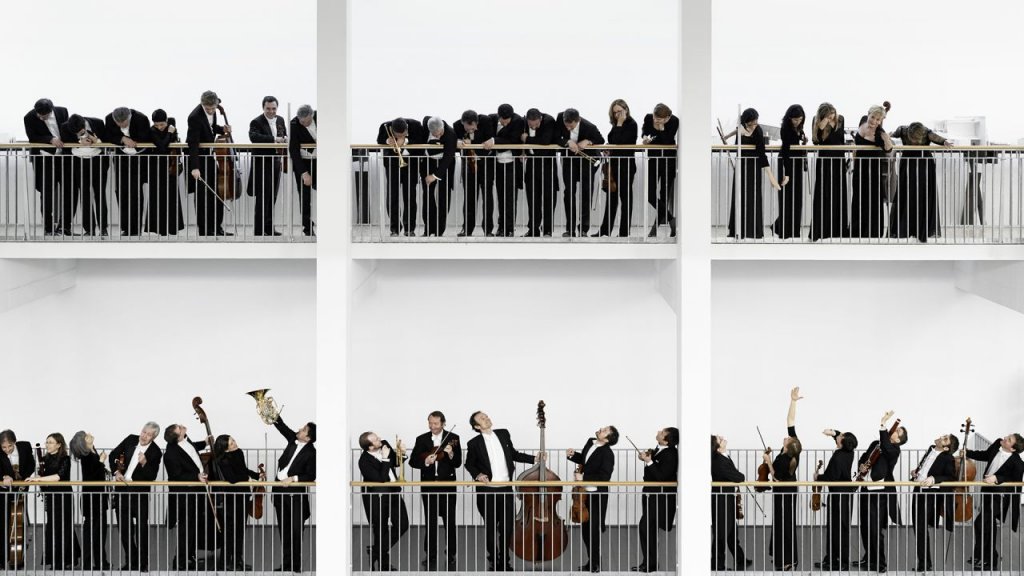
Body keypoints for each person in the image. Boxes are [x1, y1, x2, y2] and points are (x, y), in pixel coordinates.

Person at [464, 411, 538, 571]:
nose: (487, 418)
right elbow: (469, 464)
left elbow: (513, 454)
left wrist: (534, 459)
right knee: (491, 527)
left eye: (486, 416)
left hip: (506, 488)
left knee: (507, 527)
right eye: (482, 419)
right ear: (477, 426)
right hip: (487, 491)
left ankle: (504, 558)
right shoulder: (474, 443)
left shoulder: (503, 434)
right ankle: (493, 556)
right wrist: (478, 474)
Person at [855, 412, 907, 573]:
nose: (895, 430)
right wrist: (861, 466)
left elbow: (885, 446)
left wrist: (883, 424)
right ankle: (868, 558)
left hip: (879, 493)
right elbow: (863, 458)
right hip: (866, 488)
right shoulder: (876, 443)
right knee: (865, 526)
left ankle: (880, 563)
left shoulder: (894, 450)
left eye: (898, 431)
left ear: (897, 440)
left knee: (875, 529)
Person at [409, 411, 462, 571]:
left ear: (443, 423)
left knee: (449, 520)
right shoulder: (422, 439)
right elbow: (412, 461)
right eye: (430, 423)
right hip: (429, 484)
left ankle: (451, 552)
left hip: (447, 484)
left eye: (436, 424)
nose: (432, 426)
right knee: (430, 520)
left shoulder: (454, 438)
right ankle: (431, 553)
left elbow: (458, 463)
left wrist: (451, 453)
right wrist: (425, 461)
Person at [109, 422, 163, 572]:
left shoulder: (156, 452)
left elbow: (152, 476)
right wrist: (116, 472)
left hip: (139, 494)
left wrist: (145, 463)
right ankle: (131, 562)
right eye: (144, 432)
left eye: (149, 435)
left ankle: (143, 563)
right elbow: (114, 455)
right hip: (122, 492)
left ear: (154, 437)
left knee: (141, 530)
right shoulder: (130, 439)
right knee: (125, 530)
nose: (144, 436)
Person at [966, 433, 1024, 570]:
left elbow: (1015, 483)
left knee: (979, 523)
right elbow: (984, 455)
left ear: (1013, 449)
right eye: (1007, 437)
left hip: (999, 497)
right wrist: (967, 453)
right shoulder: (997, 444)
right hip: (986, 492)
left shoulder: (1019, 464)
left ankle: (981, 556)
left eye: (1008, 440)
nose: (1005, 438)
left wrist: (997, 478)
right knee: (989, 527)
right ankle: (989, 559)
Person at [725, 108, 783, 239]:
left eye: (755, 122)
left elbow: (762, 154)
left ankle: (753, 231)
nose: (753, 125)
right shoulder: (740, 130)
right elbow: (737, 147)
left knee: (753, 197)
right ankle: (736, 230)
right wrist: (729, 136)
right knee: (739, 196)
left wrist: (771, 177)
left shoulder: (758, 130)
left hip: (754, 168)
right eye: (750, 123)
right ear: (745, 122)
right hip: (741, 167)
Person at [889, 122, 952, 242]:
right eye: (913, 139)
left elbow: (937, 138)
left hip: (924, 166)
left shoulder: (927, 132)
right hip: (908, 166)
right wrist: (888, 135)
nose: (914, 143)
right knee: (906, 194)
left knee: (923, 194)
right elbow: (893, 134)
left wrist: (944, 141)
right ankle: (904, 229)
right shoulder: (903, 130)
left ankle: (921, 229)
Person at [762, 387, 803, 571]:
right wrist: (793, 401)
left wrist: (768, 461)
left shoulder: (783, 458)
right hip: (789, 493)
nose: (786, 437)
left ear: (787, 447)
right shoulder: (794, 451)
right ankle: (786, 558)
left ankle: (787, 560)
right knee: (785, 524)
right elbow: (791, 420)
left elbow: (775, 478)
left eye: (787, 439)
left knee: (783, 525)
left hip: (782, 493)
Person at [26, 433, 81, 569]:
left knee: (64, 527)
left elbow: (58, 477)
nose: (47, 445)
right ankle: (58, 561)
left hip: (64, 497)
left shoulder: (65, 459)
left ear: (59, 444)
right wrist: (39, 477)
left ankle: (66, 560)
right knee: (53, 528)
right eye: (47, 442)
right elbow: (45, 480)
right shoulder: (44, 459)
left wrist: (38, 479)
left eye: (50, 442)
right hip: (51, 497)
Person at [567, 426, 618, 573]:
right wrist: (572, 455)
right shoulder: (590, 442)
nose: (601, 429)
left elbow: (604, 477)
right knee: (585, 530)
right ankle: (591, 561)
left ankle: (595, 564)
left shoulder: (608, 454)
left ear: (607, 439)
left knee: (593, 530)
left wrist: (584, 478)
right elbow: (584, 460)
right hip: (583, 495)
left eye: (605, 430)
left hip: (596, 496)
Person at [162, 423, 212, 570]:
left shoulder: (185, 441)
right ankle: (181, 562)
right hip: (185, 496)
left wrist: (205, 442)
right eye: (180, 428)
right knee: (186, 529)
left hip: (197, 492)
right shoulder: (170, 454)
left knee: (194, 526)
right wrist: (196, 476)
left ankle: (190, 555)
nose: (183, 427)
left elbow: (192, 449)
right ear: (177, 436)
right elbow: (177, 476)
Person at [358, 432, 410, 571]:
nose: (380, 439)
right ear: (369, 447)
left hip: (393, 493)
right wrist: (385, 459)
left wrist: (402, 453)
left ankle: (375, 551)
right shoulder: (364, 461)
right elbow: (380, 479)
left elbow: (397, 463)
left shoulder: (384, 445)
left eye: (377, 437)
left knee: (403, 524)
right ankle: (384, 565)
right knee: (380, 529)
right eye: (376, 439)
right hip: (376, 496)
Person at [272, 417, 317, 573]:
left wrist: (294, 478)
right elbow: (283, 428)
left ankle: (295, 567)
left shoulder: (312, 453)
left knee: (296, 532)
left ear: (308, 438)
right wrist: (275, 417)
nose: (300, 429)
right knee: (284, 531)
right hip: (280, 493)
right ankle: (286, 565)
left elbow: (311, 475)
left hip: (296, 496)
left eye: (303, 429)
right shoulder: (293, 440)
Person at [210, 434, 262, 571]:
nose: (235, 442)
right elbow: (232, 478)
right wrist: (248, 479)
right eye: (231, 443)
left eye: (233, 440)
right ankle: (225, 563)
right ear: (225, 449)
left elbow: (242, 469)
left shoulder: (238, 452)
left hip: (243, 496)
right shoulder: (222, 460)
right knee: (229, 532)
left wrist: (256, 475)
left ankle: (238, 561)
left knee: (240, 531)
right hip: (230, 500)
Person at [633, 427, 678, 573]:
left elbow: (661, 477)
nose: (659, 431)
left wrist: (649, 462)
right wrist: (647, 459)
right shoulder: (659, 449)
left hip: (660, 497)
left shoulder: (671, 453)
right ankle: (649, 563)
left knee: (646, 527)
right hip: (650, 494)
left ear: (666, 439)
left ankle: (650, 564)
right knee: (648, 529)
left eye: (662, 432)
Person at [911, 433, 958, 572]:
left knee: (920, 528)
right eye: (944, 436)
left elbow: (950, 478)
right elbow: (926, 468)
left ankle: (925, 564)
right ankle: (925, 562)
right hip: (918, 490)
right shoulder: (931, 449)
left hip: (929, 494)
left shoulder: (948, 458)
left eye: (945, 439)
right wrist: (917, 473)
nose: (941, 437)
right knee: (918, 527)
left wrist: (934, 479)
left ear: (946, 448)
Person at [23, 99, 71, 235]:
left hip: (64, 158)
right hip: (44, 159)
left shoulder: (63, 111)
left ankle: (64, 227)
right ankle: (48, 229)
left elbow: (68, 131)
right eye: (38, 114)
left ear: (51, 111)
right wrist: (50, 139)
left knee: (69, 192)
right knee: (47, 194)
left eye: (43, 116)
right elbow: (32, 137)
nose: (40, 117)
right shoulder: (29, 116)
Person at [187, 90, 231, 236]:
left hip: (210, 159)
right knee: (202, 197)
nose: (211, 110)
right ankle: (205, 229)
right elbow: (193, 143)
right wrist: (194, 167)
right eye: (208, 108)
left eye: (213, 108)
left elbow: (210, 128)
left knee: (216, 194)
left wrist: (221, 129)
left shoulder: (214, 111)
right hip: (199, 160)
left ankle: (217, 227)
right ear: (202, 104)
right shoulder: (194, 117)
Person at [815, 428, 858, 571]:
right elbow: (839, 436)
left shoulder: (839, 455)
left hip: (838, 495)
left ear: (843, 441)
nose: (839, 436)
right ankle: (834, 560)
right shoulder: (848, 452)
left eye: (842, 436)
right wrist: (833, 433)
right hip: (844, 495)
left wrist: (818, 477)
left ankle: (837, 562)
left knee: (837, 529)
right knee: (840, 528)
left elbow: (831, 477)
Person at [60, 114, 110, 237]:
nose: (78, 133)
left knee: (100, 194)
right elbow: (66, 145)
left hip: (98, 161)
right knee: (85, 195)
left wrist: (96, 141)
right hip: (79, 162)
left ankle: (103, 228)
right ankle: (89, 229)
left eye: (80, 131)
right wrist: (78, 142)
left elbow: (106, 142)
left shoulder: (98, 122)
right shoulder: (65, 127)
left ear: (84, 124)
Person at [557, 108, 604, 237]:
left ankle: (583, 229)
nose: (567, 128)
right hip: (569, 162)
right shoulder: (560, 118)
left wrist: (588, 141)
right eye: (566, 125)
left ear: (578, 120)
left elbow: (601, 139)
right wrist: (567, 141)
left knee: (586, 194)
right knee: (569, 193)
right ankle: (570, 229)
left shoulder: (590, 127)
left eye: (570, 126)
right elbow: (555, 137)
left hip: (587, 162)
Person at [105, 106, 151, 236]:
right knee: (121, 192)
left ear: (129, 117)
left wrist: (134, 141)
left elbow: (146, 137)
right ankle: (126, 227)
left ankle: (135, 229)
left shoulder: (141, 118)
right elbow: (107, 135)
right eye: (118, 123)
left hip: (138, 160)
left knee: (135, 193)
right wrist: (123, 138)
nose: (120, 125)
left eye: (123, 123)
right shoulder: (109, 118)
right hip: (121, 160)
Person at [850, 105, 894, 238]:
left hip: (872, 171)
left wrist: (887, 138)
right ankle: (856, 231)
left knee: (872, 201)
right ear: (868, 114)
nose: (874, 121)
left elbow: (889, 150)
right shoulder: (862, 121)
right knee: (858, 199)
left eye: (878, 119)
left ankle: (872, 233)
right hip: (859, 169)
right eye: (873, 117)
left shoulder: (880, 133)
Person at [69, 431, 111, 571]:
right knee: (94, 533)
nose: (90, 434)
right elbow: (91, 477)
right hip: (93, 499)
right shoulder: (86, 456)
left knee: (97, 532)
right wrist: (101, 461)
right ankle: (92, 563)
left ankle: (99, 562)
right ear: (83, 442)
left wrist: (99, 461)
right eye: (86, 435)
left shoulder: (91, 452)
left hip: (95, 498)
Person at [248, 96, 288, 236]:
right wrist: (274, 139)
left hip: (276, 163)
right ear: (263, 108)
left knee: (272, 197)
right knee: (262, 198)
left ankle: (269, 228)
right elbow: (254, 137)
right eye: (268, 109)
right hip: (262, 164)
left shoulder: (281, 120)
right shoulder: (256, 121)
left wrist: (285, 139)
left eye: (274, 108)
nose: (271, 111)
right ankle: (259, 231)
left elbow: (284, 135)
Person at [597, 99, 637, 238]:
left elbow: (621, 142)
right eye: (614, 113)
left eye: (619, 111)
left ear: (626, 109)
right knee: (611, 198)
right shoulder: (615, 125)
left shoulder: (632, 124)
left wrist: (619, 124)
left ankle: (624, 232)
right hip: (614, 166)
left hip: (626, 167)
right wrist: (609, 148)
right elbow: (613, 141)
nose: (617, 115)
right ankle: (605, 231)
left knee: (625, 199)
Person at [377, 117, 423, 236]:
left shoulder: (416, 125)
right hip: (392, 166)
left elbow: (421, 140)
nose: (401, 136)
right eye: (399, 135)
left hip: (411, 167)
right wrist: (388, 141)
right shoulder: (385, 126)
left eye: (404, 133)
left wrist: (405, 141)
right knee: (392, 198)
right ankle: (395, 229)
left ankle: (409, 229)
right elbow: (379, 139)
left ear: (407, 128)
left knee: (410, 198)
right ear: (393, 130)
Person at [809, 103, 849, 241]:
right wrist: (821, 125)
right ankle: (820, 230)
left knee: (839, 192)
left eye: (833, 113)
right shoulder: (816, 120)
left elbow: (840, 140)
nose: (832, 116)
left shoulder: (841, 119)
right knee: (823, 192)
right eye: (828, 114)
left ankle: (838, 230)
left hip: (838, 159)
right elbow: (816, 142)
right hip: (824, 160)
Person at [455, 110, 496, 237]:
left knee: (487, 198)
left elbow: (489, 140)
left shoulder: (486, 121)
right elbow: (453, 142)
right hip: (468, 166)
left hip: (485, 165)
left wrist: (471, 142)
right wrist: (457, 142)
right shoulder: (456, 125)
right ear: (463, 123)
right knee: (469, 198)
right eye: (469, 128)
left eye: (474, 127)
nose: (473, 129)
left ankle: (488, 230)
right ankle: (467, 229)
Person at [710, 434, 749, 571]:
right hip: (721, 500)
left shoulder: (722, 456)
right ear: (717, 446)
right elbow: (738, 477)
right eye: (719, 439)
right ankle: (717, 564)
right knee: (721, 533)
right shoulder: (718, 461)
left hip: (727, 498)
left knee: (732, 531)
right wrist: (740, 475)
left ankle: (740, 558)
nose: (722, 437)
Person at [485, 104, 524, 237]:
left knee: (510, 198)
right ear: (499, 116)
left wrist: (494, 141)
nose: (505, 123)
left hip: (511, 164)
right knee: (500, 196)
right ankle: (501, 227)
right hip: (497, 164)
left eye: (508, 121)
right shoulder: (491, 119)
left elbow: (513, 140)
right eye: (503, 120)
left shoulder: (518, 121)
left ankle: (509, 228)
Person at [0, 429, 35, 570]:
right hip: (4, 492)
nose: (7, 450)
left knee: (19, 523)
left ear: (14, 442)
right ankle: (2, 560)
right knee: (3, 524)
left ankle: (17, 559)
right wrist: (3, 476)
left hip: (21, 490)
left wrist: (24, 481)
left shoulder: (25, 446)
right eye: (3, 447)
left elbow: (31, 465)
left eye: (9, 446)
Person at [642, 103, 678, 237]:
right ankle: (671, 219)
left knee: (664, 196)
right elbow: (645, 133)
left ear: (667, 117)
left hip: (668, 161)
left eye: (659, 119)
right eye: (655, 117)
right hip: (653, 160)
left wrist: (661, 128)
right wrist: (645, 139)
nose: (655, 120)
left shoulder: (674, 121)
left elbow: (668, 141)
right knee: (650, 195)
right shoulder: (648, 118)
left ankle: (654, 230)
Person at [521, 108, 559, 237]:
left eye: (536, 124)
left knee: (549, 199)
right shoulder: (523, 122)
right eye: (531, 124)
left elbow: (545, 141)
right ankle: (533, 229)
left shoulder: (549, 120)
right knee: (532, 199)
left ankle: (547, 229)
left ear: (540, 119)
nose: (533, 126)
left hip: (547, 165)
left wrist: (527, 139)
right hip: (531, 164)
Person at [147, 110, 184, 235]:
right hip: (156, 167)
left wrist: (171, 133)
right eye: (157, 125)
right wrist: (169, 133)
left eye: (162, 124)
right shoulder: (152, 130)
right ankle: (160, 229)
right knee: (157, 197)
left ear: (166, 121)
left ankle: (173, 228)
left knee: (172, 196)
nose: (159, 127)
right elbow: (162, 148)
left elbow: (174, 144)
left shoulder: (172, 126)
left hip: (171, 166)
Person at [773, 105, 807, 239]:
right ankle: (783, 230)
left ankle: (792, 231)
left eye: (800, 119)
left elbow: (796, 144)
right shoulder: (785, 128)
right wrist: (786, 173)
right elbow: (786, 151)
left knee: (796, 198)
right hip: (787, 163)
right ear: (789, 118)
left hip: (796, 162)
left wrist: (803, 140)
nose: (797, 121)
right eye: (795, 119)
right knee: (786, 198)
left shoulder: (799, 127)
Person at [421, 116, 457, 237]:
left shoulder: (451, 134)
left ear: (442, 128)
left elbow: (448, 158)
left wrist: (435, 176)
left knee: (443, 198)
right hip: (428, 163)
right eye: (434, 134)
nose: (437, 136)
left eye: (439, 134)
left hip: (444, 166)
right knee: (427, 197)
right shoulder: (426, 123)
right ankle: (428, 229)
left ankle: (439, 231)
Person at [289, 105, 318, 236]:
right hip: (303, 162)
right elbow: (293, 150)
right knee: (304, 196)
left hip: (322, 161)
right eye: (301, 121)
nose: (303, 124)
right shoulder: (294, 123)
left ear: (311, 116)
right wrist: (304, 173)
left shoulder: (322, 117)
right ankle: (308, 228)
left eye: (305, 121)